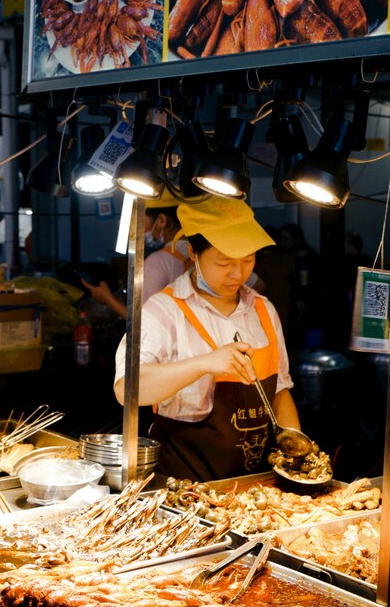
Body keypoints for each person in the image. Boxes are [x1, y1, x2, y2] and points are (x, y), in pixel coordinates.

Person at [112, 196, 303, 481]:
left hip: (257, 486)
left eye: (248, 259)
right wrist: (204, 364)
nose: (238, 274)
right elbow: (126, 389)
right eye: (224, 262)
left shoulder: (263, 309)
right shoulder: (163, 312)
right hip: (184, 486)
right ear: (193, 252)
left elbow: (280, 391)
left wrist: (298, 451)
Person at [83, 202, 188, 319]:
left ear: (162, 221)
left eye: (140, 222)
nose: (137, 230)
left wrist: (107, 297)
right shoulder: (199, 253)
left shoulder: (158, 262)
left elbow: (142, 322)